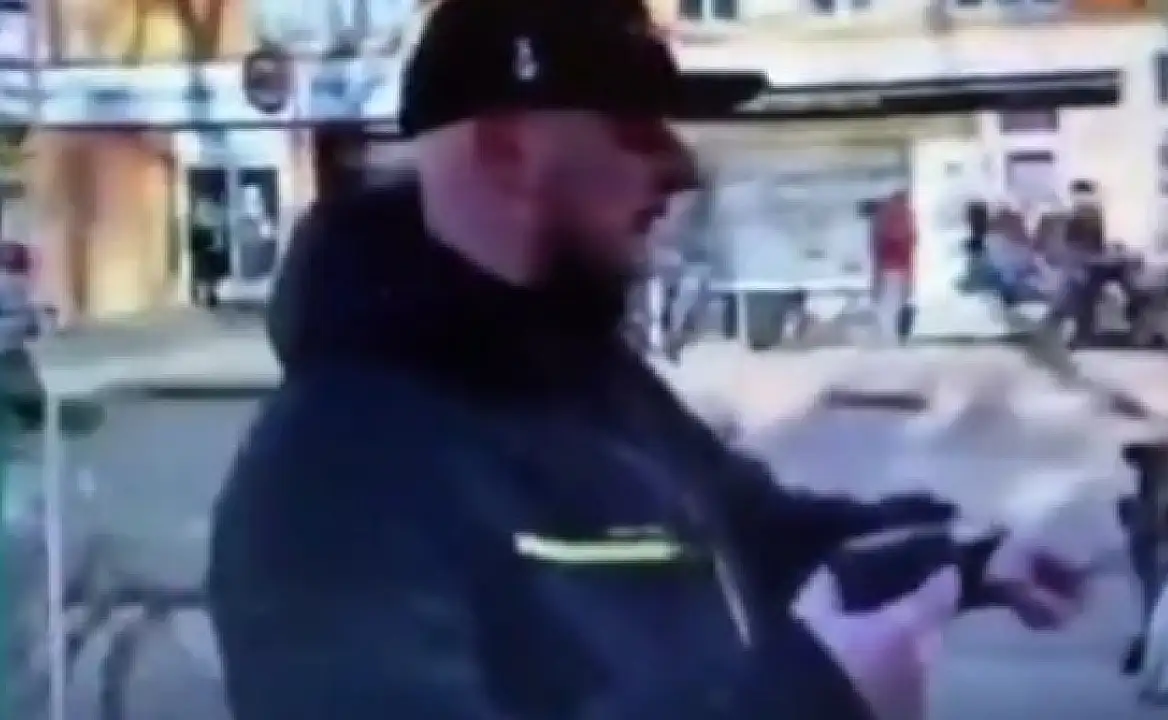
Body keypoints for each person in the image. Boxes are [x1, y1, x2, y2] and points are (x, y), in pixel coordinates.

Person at [208, 1, 1087, 719]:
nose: (681, 168)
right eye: (634, 129)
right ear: (507, 152)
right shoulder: (335, 474)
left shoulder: (590, 376)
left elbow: (759, 532)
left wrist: (960, 559)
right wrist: (810, 702)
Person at [872, 190, 917, 344]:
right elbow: (908, 249)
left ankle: (890, 337)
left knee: (889, 305)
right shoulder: (903, 219)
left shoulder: (889, 220)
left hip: (892, 269)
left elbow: (879, 249)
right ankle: (893, 337)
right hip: (895, 269)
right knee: (893, 304)